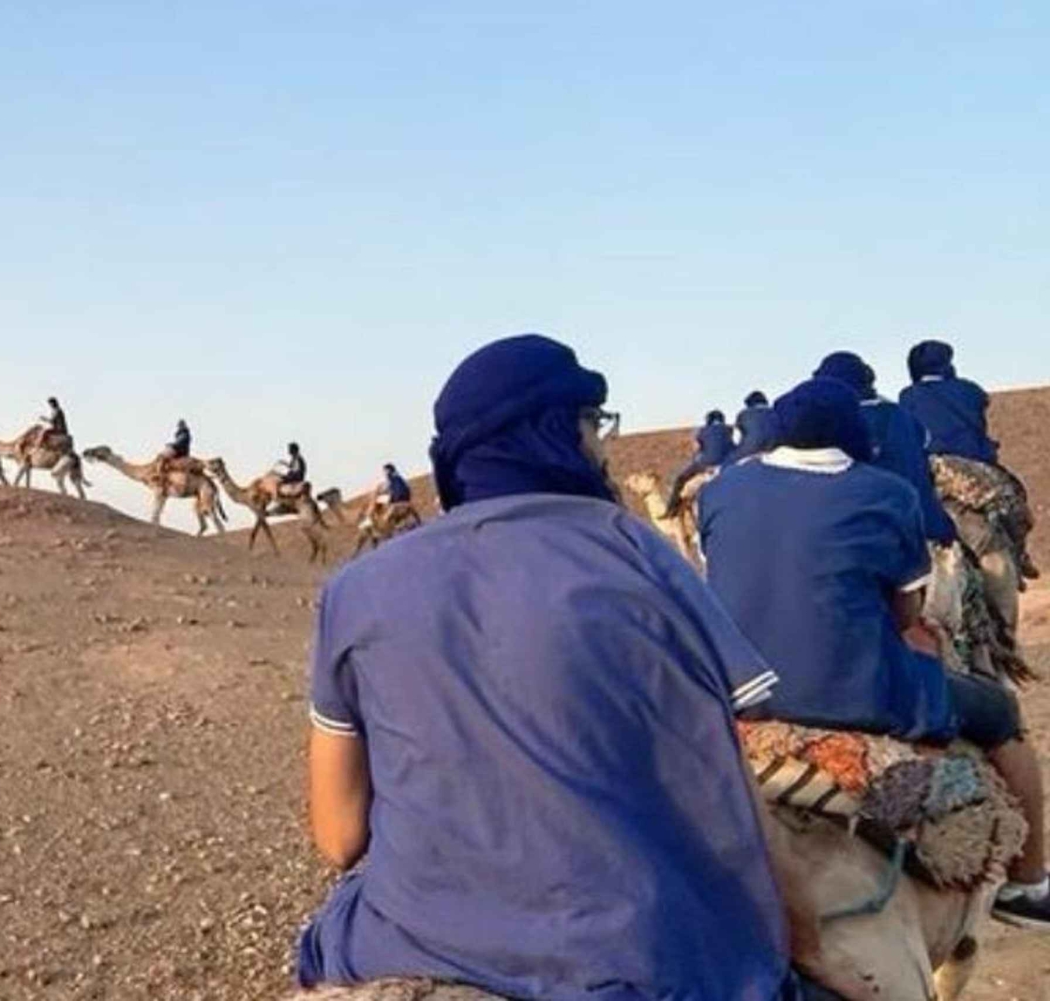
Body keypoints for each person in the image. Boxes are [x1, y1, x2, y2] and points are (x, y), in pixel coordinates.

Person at [298, 334, 827, 999]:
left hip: (409, 938)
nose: (601, 447)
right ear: (559, 434)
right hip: (637, 955)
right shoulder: (636, 551)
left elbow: (339, 837)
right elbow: (726, 764)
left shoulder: (356, 587)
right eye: (593, 425)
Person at [699, 377, 1049, 930]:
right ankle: (1026, 885)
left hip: (737, 691)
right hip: (854, 694)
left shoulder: (721, 489)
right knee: (1001, 715)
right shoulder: (887, 492)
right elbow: (907, 612)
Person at [899, 339, 1036, 578]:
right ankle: (1019, 554)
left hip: (925, 471)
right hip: (964, 468)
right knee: (1013, 501)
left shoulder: (907, 396)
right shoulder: (969, 391)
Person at [813, 352, 955, 545]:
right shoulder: (901, 415)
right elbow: (925, 445)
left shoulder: (833, 425)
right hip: (926, 528)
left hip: (870, 538)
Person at [664, 409, 735, 511]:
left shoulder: (702, 431)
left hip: (705, 464)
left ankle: (672, 509)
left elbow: (697, 449)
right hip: (726, 464)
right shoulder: (729, 430)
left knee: (680, 479)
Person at [729, 390, 782, 463]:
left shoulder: (744, 414)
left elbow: (739, 432)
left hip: (750, 449)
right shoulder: (774, 412)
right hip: (774, 448)